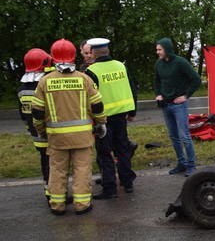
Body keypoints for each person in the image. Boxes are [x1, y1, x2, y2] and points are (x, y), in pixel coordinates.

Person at [31, 39, 107, 215]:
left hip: (56, 137)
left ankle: (57, 205)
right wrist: (101, 123)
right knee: (82, 170)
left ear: (53, 57)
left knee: (57, 170)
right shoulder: (84, 79)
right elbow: (97, 106)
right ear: (74, 55)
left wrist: (41, 130)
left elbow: (37, 112)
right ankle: (82, 205)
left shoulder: (44, 81)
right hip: (83, 136)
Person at [85, 37, 137, 198]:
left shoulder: (91, 71)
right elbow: (132, 87)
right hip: (121, 115)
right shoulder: (121, 66)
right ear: (107, 50)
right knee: (122, 150)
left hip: (103, 119)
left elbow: (90, 98)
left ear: (93, 52)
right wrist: (133, 111)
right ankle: (127, 183)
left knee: (105, 153)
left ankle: (110, 189)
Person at [154, 37, 201, 175]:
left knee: (184, 136)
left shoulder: (180, 63)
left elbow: (196, 80)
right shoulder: (158, 64)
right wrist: (158, 94)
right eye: (157, 49)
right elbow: (156, 81)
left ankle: (191, 165)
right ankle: (181, 163)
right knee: (173, 136)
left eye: (159, 49)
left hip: (178, 105)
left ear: (167, 49)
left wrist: (185, 96)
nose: (157, 52)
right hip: (166, 105)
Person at [18, 48, 53, 199]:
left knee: (44, 162)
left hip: (35, 134)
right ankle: (56, 193)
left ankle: (48, 189)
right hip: (49, 132)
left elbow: (22, 114)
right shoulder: (44, 85)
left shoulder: (22, 89)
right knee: (55, 164)